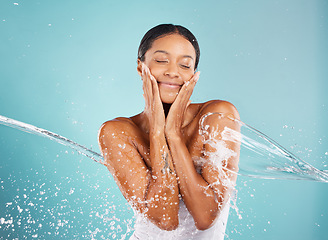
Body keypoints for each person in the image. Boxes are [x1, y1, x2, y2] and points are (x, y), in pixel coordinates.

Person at [98, 24, 240, 240]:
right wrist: (157, 131)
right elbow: (165, 218)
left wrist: (173, 134)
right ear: (140, 66)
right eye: (161, 60)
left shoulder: (216, 117)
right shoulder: (117, 132)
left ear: (193, 74)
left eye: (184, 65)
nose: (172, 72)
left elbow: (205, 217)